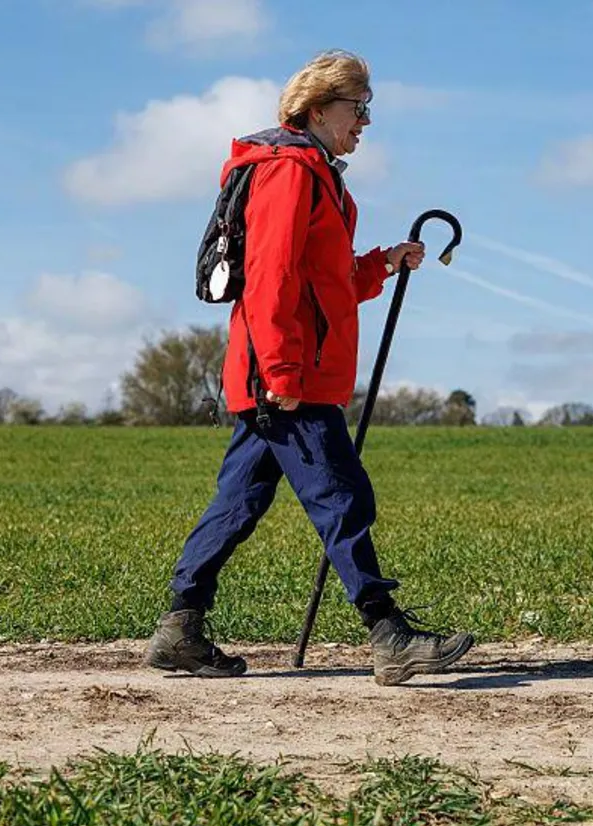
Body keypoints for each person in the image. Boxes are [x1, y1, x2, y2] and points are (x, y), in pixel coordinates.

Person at [144, 49, 475, 686]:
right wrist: (282, 374)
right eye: (359, 107)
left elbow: (323, 280)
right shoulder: (290, 171)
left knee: (238, 502)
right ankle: (389, 633)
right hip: (286, 375)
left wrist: (380, 263)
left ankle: (181, 626)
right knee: (340, 495)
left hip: (280, 372)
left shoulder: (317, 174)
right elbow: (271, 278)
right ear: (319, 110)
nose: (366, 121)